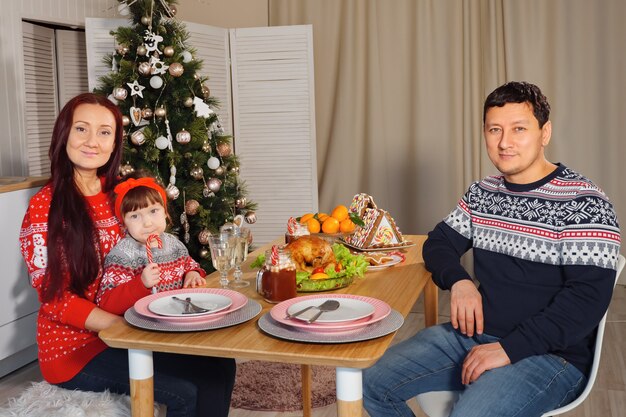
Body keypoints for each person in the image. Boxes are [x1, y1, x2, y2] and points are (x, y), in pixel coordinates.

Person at [363, 81, 621, 417]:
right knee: (368, 384)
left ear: (545, 133)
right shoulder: (483, 193)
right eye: (494, 129)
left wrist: (509, 349)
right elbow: (438, 242)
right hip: (474, 335)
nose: (504, 142)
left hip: (551, 356)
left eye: (518, 129)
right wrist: (460, 281)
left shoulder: (586, 202)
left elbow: (587, 301)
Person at [19, 93, 235, 417]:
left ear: (114, 143)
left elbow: (161, 249)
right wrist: (125, 327)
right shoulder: (45, 205)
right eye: (82, 129)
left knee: (219, 365)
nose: (93, 141)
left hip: (130, 327)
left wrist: (190, 274)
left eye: (105, 132)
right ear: (64, 133)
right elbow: (56, 299)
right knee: (184, 394)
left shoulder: (120, 195)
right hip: (76, 350)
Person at [96, 172, 206, 315]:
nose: (147, 223)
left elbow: (189, 264)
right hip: (145, 327)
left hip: (178, 317)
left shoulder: (173, 243)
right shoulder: (122, 255)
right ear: (124, 223)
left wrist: (193, 273)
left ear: (165, 213)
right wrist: (141, 284)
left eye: (153, 211)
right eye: (135, 216)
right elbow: (106, 303)